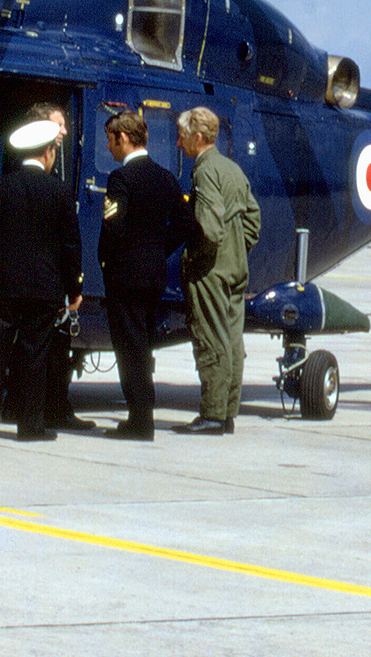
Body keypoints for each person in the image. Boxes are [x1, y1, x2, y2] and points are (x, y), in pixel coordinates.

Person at [0, 118, 84, 441]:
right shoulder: (60, 192)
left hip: (3, 287)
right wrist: (74, 288)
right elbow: (71, 245)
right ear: (47, 152)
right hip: (45, 289)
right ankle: (30, 426)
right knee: (35, 357)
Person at [98, 110, 194, 440]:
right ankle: (143, 414)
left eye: (111, 141)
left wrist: (112, 261)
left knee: (129, 348)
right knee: (143, 346)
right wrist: (156, 249)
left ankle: (139, 419)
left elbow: (113, 227)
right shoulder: (166, 178)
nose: (109, 147)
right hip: (153, 274)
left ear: (124, 139)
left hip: (126, 275)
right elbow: (185, 222)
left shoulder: (121, 179)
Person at [175, 106, 260, 435]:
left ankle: (211, 414)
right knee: (232, 340)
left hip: (211, 270)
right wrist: (236, 251)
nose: (179, 144)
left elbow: (209, 228)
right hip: (236, 268)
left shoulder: (205, 171)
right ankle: (226, 413)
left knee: (211, 338)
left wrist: (200, 258)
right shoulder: (232, 169)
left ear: (198, 138)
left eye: (182, 137)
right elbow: (253, 220)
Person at [26, 101, 93, 431]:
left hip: (27, 280)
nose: (66, 131)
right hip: (45, 282)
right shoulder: (53, 185)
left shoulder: (51, 171)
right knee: (50, 349)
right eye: (60, 125)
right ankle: (50, 410)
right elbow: (68, 241)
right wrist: (74, 286)